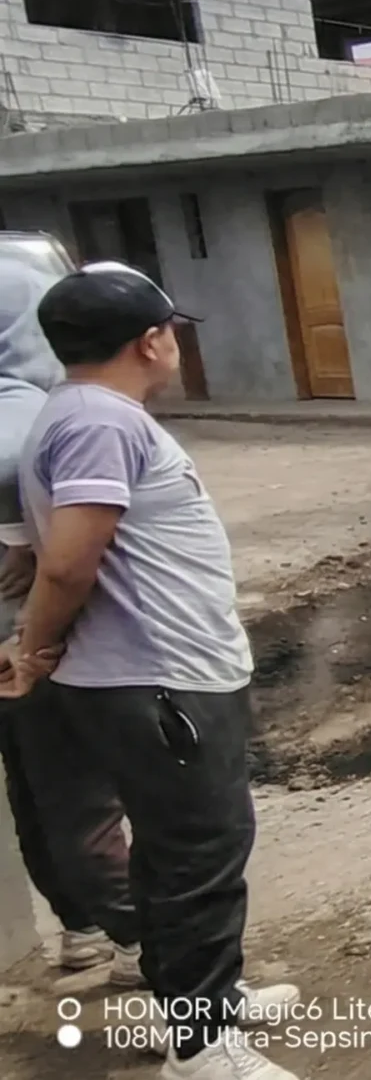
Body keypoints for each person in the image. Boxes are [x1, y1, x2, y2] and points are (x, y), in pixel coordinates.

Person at [5, 262, 298, 1080]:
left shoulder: (79, 411)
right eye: (172, 330)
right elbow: (67, 564)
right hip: (163, 679)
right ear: (152, 339)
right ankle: (205, 1049)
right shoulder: (103, 423)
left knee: (174, 853)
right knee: (203, 852)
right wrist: (33, 651)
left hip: (156, 674)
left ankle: (205, 1006)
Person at [0, 251, 140, 986]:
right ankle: (144, 948)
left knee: (35, 787)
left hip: (19, 640)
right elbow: (63, 564)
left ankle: (83, 928)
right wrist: (35, 638)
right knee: (82, 794)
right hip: (34, 642)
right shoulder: (38, 414)